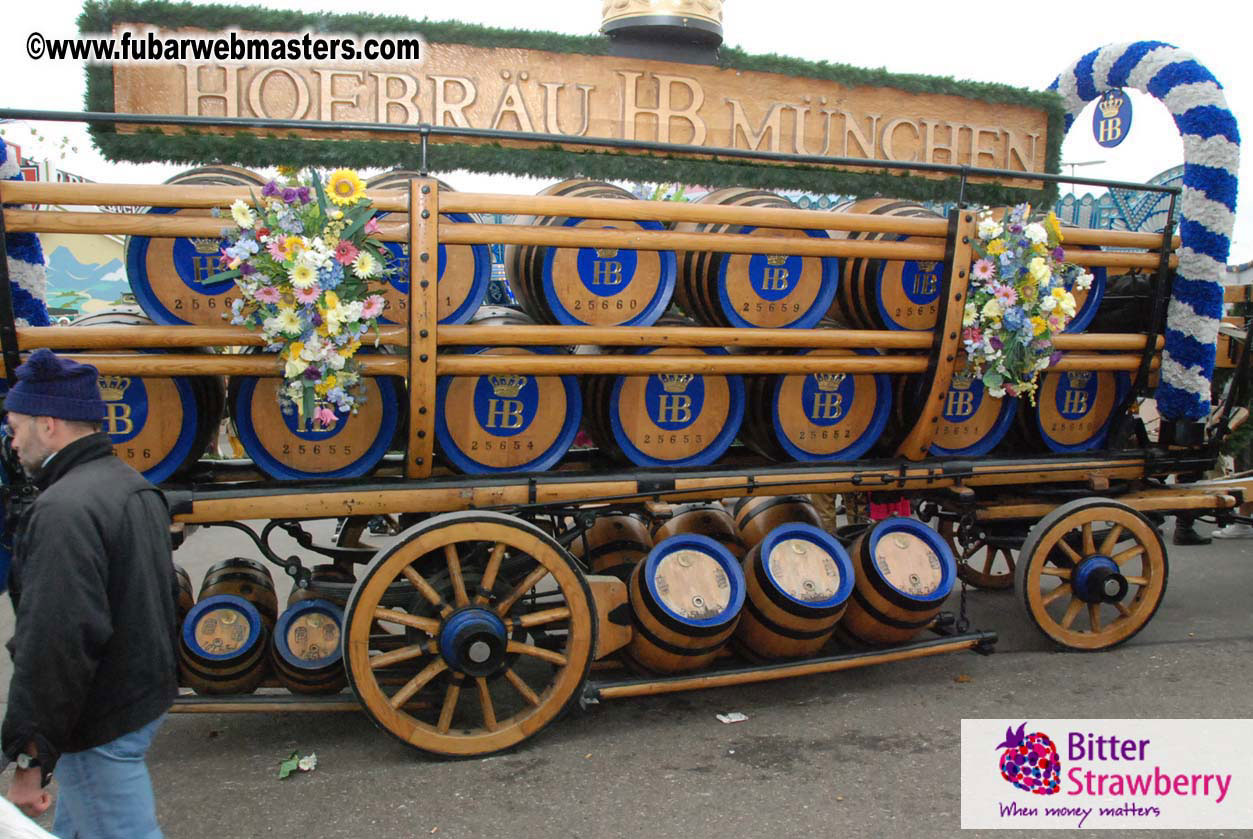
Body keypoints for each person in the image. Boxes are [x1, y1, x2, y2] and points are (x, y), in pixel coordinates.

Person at [1, 349, 176, 838]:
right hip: (136, 699)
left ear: (48, 424)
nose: (12, 442)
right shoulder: (129, 483)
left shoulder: (63, 510)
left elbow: (54, 642)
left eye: (15, 427)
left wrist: (30, 758)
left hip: (99, 718)